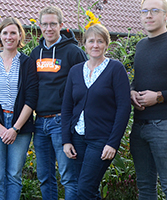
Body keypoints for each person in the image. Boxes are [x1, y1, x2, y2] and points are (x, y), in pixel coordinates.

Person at [61, 24, 131, 199]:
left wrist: (113, 143)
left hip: (101, 140)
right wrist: (66, 140)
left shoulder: (116, 69)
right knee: (85, 188)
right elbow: (67, 107)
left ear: (106, 44)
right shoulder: (75, 71)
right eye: (91, 41)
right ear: (84, 43)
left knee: (85, 188)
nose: (95, 45)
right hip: (77, 138)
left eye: (100, 41)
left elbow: (124, 108)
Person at [29, 6, 88, 200]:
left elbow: (85, 86)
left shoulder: (73, 52)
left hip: (62, 122)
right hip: (40, 123)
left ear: (61, 25)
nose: (48, 28)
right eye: (44, 24)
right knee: (45, 177)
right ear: (39, 26)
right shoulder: (35, 53)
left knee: (69, 177)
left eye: (53, 24)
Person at [0, 17, 38, 200]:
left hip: (21, 125)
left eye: (13, 33)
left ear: (20, 36)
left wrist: (15, 128)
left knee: (14, 175)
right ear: (0, 37)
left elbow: (31, 98)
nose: (9, 36)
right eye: (5, 33)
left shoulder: (28, 63)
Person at [130, 0, 167, 198]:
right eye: (144, 11)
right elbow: (138, 79)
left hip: (164, 125)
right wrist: (132, 91)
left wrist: (160, 96)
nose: (149, 15)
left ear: (166, 15)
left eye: (154, 11)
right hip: (139, 126)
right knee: (145, 187)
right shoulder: (141, 45)